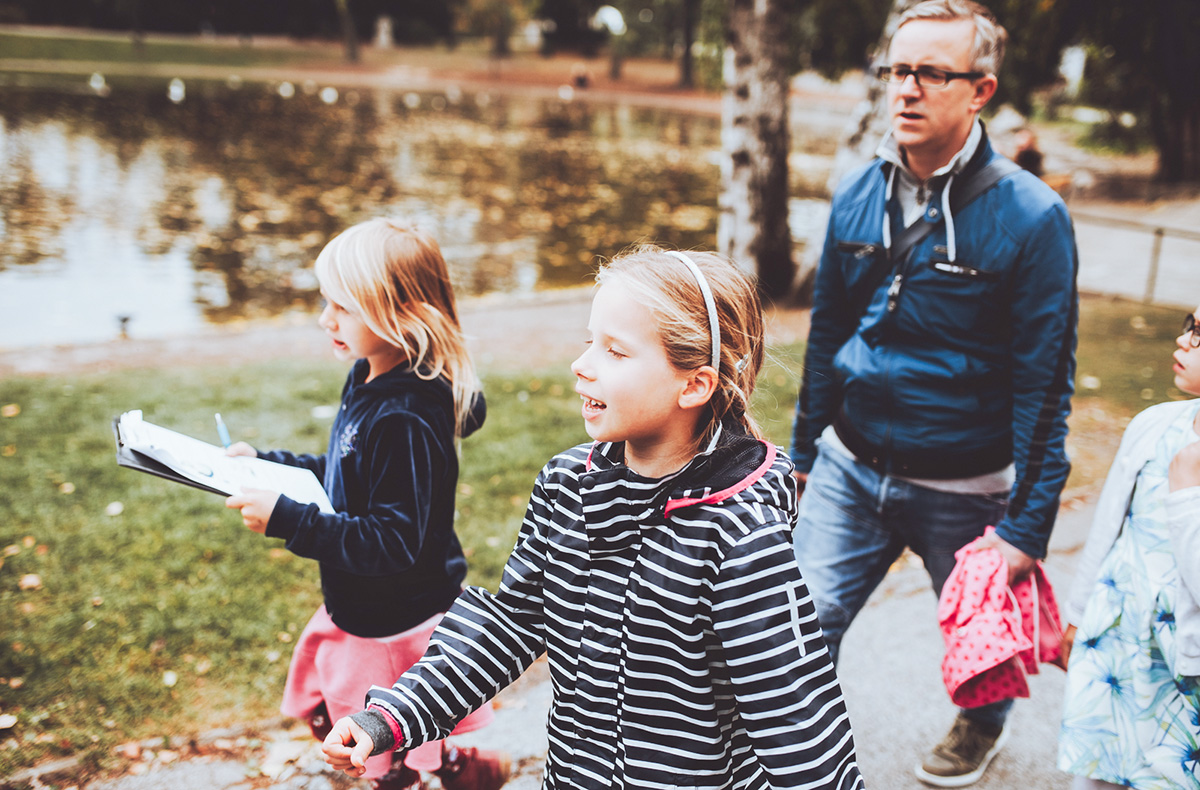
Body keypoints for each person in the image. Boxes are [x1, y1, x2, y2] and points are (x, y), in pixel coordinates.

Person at [321, 246, 865, 790]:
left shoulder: (737, 531)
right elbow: (510, 623)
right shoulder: (566, 486)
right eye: (589, 343)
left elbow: (795, 714)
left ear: (694, 384)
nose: (582, 366)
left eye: (616, 352)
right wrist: (392, 716)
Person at [788, 0, 1078, 786]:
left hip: (966, 484)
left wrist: (1027, 525)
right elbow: (825, 335)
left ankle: (979, 729)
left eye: (930, 73)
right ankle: (793, 754)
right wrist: (802, 454)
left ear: (979, 90)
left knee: (983, 646)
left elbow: (1046, 385)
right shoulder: (857, 193)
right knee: (798, 627)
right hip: (850, 465)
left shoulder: (1033, 218)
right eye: (896, 69)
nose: (905, 89)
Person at [224, 218, 510, 790]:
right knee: (334, 719)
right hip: (360, 604)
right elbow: (346, 471)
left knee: (382, 745)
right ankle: (450, 768)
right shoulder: (367, 375)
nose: (326, 318)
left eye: (344, 306)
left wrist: (288, 519)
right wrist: (268, 464)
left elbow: (392, 540)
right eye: (326, 301)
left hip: (395, 619)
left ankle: (439, 771)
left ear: (400, 315)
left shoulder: (405, 415)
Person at [1058, 308, 1200, 789]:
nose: (1183, 341)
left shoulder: (1190, 472)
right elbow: (1108, 528)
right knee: (1098, 770)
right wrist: (1079, 613)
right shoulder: (1155, 424)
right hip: (1119, 637)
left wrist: (1186, 494)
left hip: (1186, 667)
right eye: (1189, 325)